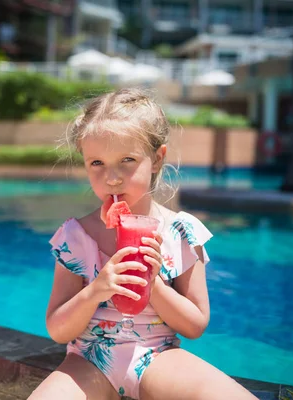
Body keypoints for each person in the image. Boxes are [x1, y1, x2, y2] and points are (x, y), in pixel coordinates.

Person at [29, 88, 256, 400]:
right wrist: (96, 290)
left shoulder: (182, 233)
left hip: (159, 357)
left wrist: (155, 285)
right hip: (88, 361)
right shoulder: (76, 236)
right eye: (97, 162)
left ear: (156, 159)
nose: (112, 178)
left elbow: (195, 326)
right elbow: (57, 329)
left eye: (127, 160)